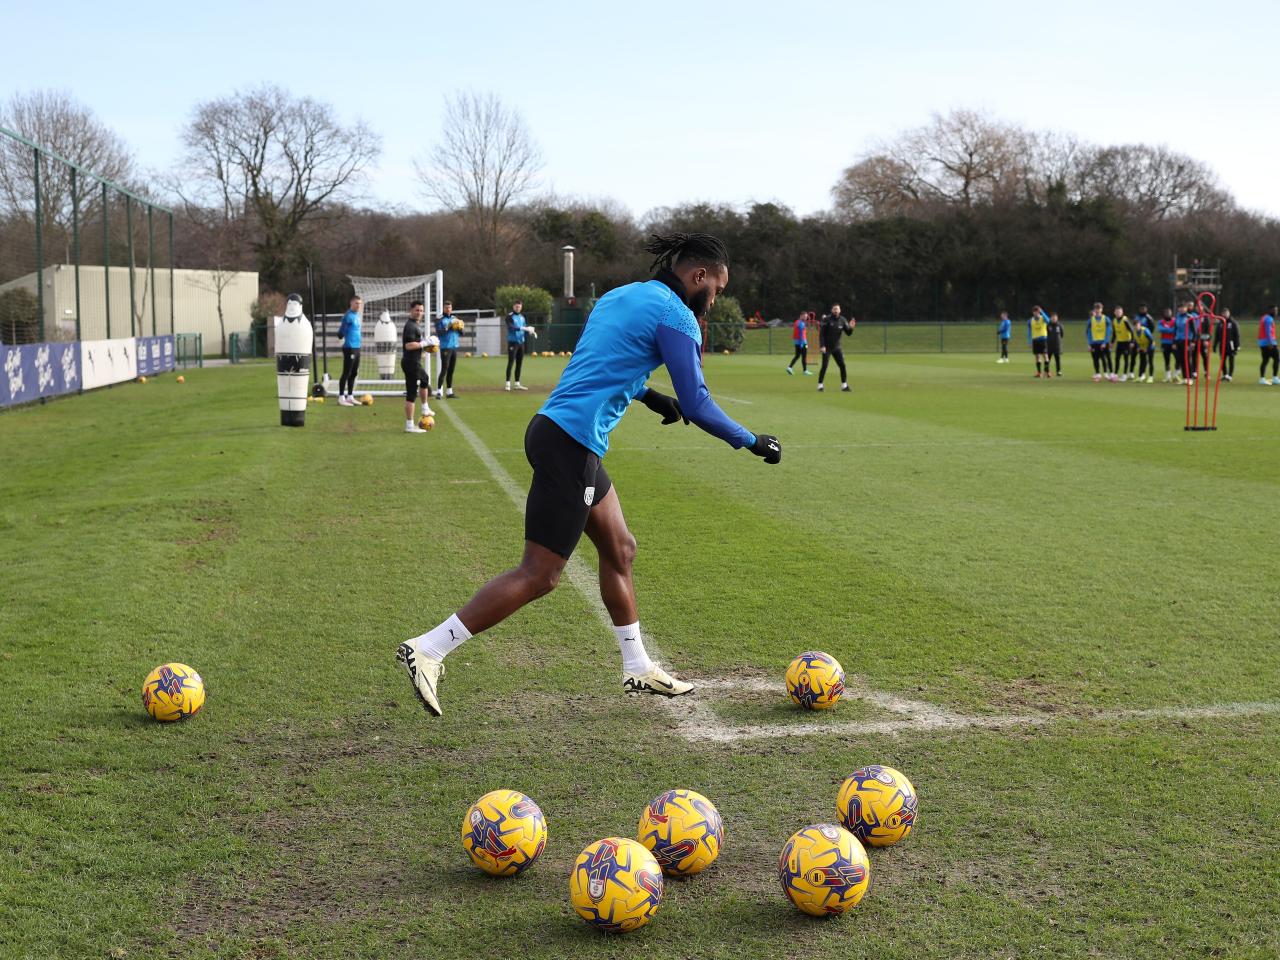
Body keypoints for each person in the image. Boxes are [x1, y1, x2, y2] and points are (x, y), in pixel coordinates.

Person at [396, 233, 782, 716]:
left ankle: (637, 666)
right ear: (698, 276)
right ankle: (430, 648)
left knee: (620, 548)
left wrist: (649, 396)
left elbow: (606, 361)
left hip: (555, 432)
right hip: (572, 444)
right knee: (540, 574)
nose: (715, 299)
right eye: (717, 289)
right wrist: (752, 441)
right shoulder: (678, 315)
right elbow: (698, 403)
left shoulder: (620, 296)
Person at [401, 300, 437, 433]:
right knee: (413, 392)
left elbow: (417, 345)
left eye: (421, 310)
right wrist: (424, 343)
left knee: (423, 381)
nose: (419, 313)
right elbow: (408, 345)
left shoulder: (416, 325)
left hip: (412, 362)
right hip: (411, 363)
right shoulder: (410, 326)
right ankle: (411, 424)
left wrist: (427, 346)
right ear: (411, 310)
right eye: (417, 310)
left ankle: (423, 410)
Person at [817, 304, 855, 392]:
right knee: (824, 366)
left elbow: (848, 333)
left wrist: (851, 328)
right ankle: (820, 385)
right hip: (827, 348)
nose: (836, 311)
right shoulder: (827, 319)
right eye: (834, 309)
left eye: (837, 309)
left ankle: (844, 386)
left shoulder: (843, 320)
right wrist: (822, 346)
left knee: (842, 365)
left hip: (837, 347)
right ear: (832, 310)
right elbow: (821, 334)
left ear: (840, 310)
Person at [505, 298, 538, 391]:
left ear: (521, 307)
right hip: (513, 342)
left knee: (519, 363)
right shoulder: (509, 316)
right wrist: (524, 328)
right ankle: (507, 383)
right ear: (513, 307)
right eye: (516, 306)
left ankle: (517, 383)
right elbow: (511, 327)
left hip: (521, 343)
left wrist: (530, 332)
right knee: (511, 362)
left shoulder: (522, 317)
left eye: (519, 307)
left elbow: (524, 329)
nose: (518, 308)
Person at [336, 295, 363, 405]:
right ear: (351, 303)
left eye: (359, 304)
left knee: (354, 372)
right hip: (349, 348)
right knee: (346, 372)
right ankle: (341, 397)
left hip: (357, 347)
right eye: (356, 303)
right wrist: (342, 337)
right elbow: (340, 333)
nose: (358, 306)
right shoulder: (348, 316)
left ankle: (350, 396)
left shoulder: (357, 316)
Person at [435, 301, 461, 399]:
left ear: (451, 308)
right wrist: (449, 327)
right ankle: (438, 392)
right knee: (444, 369)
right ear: (443, 308)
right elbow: (439, 332)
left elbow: (462, 333)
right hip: (445, 347)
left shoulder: (455, 318)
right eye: (446, 308)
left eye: (449, 308)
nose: (448, 309)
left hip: (454, 347)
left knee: (451, 370)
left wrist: (459, 328)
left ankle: (449, 392)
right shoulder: (440, 319)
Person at [1085, 303, 1112, 382]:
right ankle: (1097, 373)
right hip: (1094, 343)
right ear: (1094, 309)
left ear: (1101, 309)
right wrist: (1089, 344)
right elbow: (1088, 333)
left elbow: (1108, 331)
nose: (1097, 310)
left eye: (1099, 308)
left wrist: (1105, 342)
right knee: (1095, 359)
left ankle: (1107, 373)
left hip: (1104, 342)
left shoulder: (1106, 319)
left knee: (1105, 358)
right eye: (1096, 308)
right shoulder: (1090, 320)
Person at [1215, 308, 1240, 382]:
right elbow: (1217, 335)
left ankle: (1230, 375)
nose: (1225, 315)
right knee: (1222, 360)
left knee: (1231, 360)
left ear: (1229, 313)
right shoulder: (1220, 324)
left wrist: (1237, 346)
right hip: (1222, 345)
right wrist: (1215, 345)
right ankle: (1225, 374)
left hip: (1231, 345)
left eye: (1226, 313)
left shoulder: (1233, 323)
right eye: (1223, 313)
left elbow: (1237, 335)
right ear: (1221, 314)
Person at [1112, 306, 1135, 382]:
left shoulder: (1125, 320)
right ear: (1114, 313)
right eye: (1117, 312)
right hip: (1119, 342)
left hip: (1127, 342)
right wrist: (1112, 342)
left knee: (1126, 358)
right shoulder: (1114, 321)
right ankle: (1115, 374)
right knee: (1117, 358)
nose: (1118, 313)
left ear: (1122, 312)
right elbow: (1114, 333)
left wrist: (1132, 341)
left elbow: (1132, 330)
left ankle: (1124, 375)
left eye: (1119, 312)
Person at [1028, 306, 1051, 378]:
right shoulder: (1030, 320)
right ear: (1033, 312)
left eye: (1037, 311)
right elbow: (1029, 331)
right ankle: (1039, 372)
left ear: (1039, 312)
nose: (1036, 313)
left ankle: (1047, 371)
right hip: (1035, 340)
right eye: (1035, 312)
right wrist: (1029, 341)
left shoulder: (1043, 318)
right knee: (1037, 356)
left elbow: (1048, 321)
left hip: (1043, 339)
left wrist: (1042, 312)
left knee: (1045, 355)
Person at [1134, 312, 1156, 383]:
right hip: (1142, 347)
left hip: (1150, 347)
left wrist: (1147, 349)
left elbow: (1151, 340)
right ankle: (1141, 376)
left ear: (1140, 325)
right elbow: (1137, 341)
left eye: (1137, 325)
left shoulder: (1145, 330)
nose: (1136, 326)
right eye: (1135, 325)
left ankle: (1151, 377)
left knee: (1150, 361)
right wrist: (1138, 347)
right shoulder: (1135, 332)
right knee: (1142, 361)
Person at [1260, 306, 1279, 385]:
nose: (1276, 312)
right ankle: (1275, 378)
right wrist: (1270, 342)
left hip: (1262, 342)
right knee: (1277, 358)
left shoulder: (1264, 317)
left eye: (1276, 310)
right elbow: (1268, 331)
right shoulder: (1269, 319)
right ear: (1270, 310)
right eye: (1275, 310)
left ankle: (1262, 379)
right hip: (1269, 343)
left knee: (1265, 360)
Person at [1158, 307, 1177, 381]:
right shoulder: (1161, 321)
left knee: (1178, 358)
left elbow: (1175, 330)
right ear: (1164, 314)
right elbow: (1160, 329)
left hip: (1174, 343)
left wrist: (1166, 330)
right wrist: (1170, 329)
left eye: (1169, 313)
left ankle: (1176, 374)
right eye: (1166, 313)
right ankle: (1168, 376)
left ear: (1171, 313)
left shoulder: (1175, 321)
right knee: (1166, 359)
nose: (1167, 314)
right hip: (1164, 343)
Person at [1046, 312, 1065, 377]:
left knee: (1057, 359)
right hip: (1049, 344)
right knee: (1048, 359)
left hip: (1057, 345)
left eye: (1055, 317)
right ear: (1050, 318)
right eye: (1052, 317)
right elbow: (1046, 333)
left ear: (1057, 318)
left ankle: (1058, 371)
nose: (1054, 319)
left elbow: (1062, 334)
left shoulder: (1060, 325)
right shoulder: (1048, 325)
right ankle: (1047, 371)